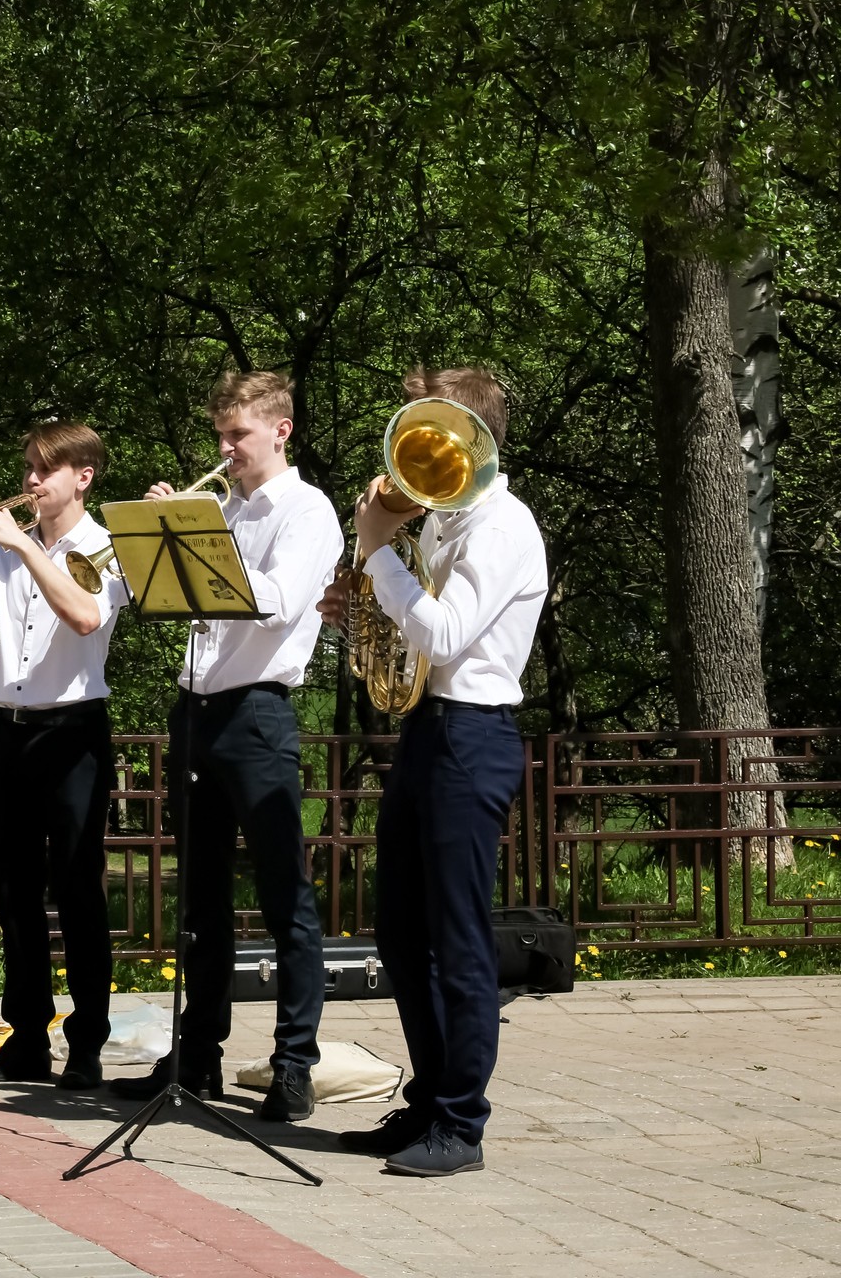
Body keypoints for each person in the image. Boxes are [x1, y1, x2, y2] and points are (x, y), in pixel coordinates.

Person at [318, 366, 546, 1176]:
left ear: (469, 441)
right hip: (427, 731)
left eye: (433, 440)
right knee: (403, 935)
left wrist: (379, 553)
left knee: (457, 941)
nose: (416, 462)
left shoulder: (502, 526)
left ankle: (462, 1122)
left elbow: (445, 636)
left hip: (472, 733)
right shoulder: (445, 526)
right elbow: (406, 638)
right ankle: (426, 1102)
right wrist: (359, 602)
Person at [109, 370, 343, 1123]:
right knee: (200, 902)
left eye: (237, 434)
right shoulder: (223, 509)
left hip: (259, 712)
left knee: (285, 899)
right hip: (197, 710)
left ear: (281, 430)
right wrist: (163, 541)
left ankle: (294, 1064)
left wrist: (199, 540)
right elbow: (166, 599)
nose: (225, 447)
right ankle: (197, 1056)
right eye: (221, 433)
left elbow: (275, 604)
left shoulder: (307, 511)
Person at [0, 419, 129, 1089]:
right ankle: (26, 1034)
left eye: (46, 469)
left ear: (83, 476)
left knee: (78, 888)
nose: (30, 480)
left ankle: (86, 1043)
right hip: (9, 728)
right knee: (13, 888)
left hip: (73, 730)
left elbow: (84, 615)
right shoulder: (5, 551)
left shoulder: (109, 546)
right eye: (28, 467)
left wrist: (20, 542)